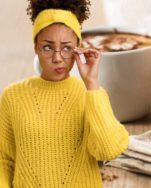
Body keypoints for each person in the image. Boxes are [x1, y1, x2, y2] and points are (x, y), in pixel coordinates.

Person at [0, 0, 129, 187]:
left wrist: (92, 83)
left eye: (67, 48)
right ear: (35, 46)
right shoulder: (12, 96)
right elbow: (4, 160)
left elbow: (108, 150)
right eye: (47, 47)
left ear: (78, 48)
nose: (57, 57)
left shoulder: (91, 95)